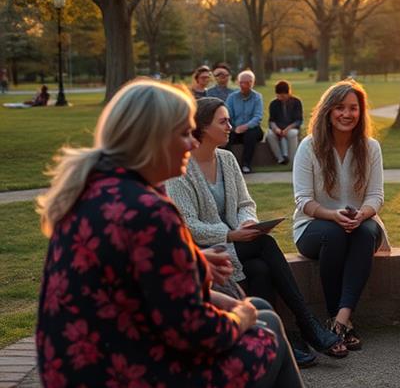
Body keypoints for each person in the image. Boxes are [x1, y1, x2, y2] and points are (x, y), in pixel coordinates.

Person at [35, 79, 303, 387]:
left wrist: (196, 264)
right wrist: (240, 317)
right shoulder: (148, 212)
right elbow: (194, 331)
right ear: (154, 138)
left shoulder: (90, 190)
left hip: (77, 368)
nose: (192, 143)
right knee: (265, 331)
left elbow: (139, 285)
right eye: (185, 133)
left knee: (262, 310)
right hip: (126, 371)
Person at [167, 97, 346, 366]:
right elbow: (188, 226)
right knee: (264, 245)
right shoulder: (180, 169)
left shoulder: (227, 159)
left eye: (229, 120)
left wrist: (247, 223)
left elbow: (245, 204)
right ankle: (306, 323)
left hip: (238, 242)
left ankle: (277, 341)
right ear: (202, 127)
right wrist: (229, 235)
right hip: (207, 249)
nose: (231, 126)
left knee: (261, 269)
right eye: (223, 121)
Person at [292, 79, 388, 353]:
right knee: (334, 234)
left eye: (353, 108)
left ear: (361, 112)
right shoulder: (309, 147)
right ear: (327, 112)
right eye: (339, 108)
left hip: (359, 222)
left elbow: (376, 197)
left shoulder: (371, 148)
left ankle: (341, 322)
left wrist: (362, 214)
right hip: (313, 227)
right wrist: (332, 215)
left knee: (367, 232)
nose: (347, 114)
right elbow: (303, 200)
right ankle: (334, 315)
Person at [226, 70, 264, 173]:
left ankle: (246, 165)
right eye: (242, 82)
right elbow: (227, 115)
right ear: (238, 83)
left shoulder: (257, 97)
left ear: (252, 83)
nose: (244, 85)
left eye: (248, 82)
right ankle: (227, 166)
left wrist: (245, 126)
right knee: (227, 136)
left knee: (250, 135)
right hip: (235, 128)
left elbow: (258, 116)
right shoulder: (232, 98)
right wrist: (234, 128)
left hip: (252, 128)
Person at [268, 80, 303, 165]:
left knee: (292, 134)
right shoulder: (273, 104)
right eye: (278, 95)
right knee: (270, 135)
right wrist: (276, 129)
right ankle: (280, 158)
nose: (281, 98)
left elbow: (299, 120)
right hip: (278, 128)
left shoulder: (296, 102)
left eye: (283, 95)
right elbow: (271, 120)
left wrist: (287, 129)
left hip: (291, 128)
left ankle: (293, 160)